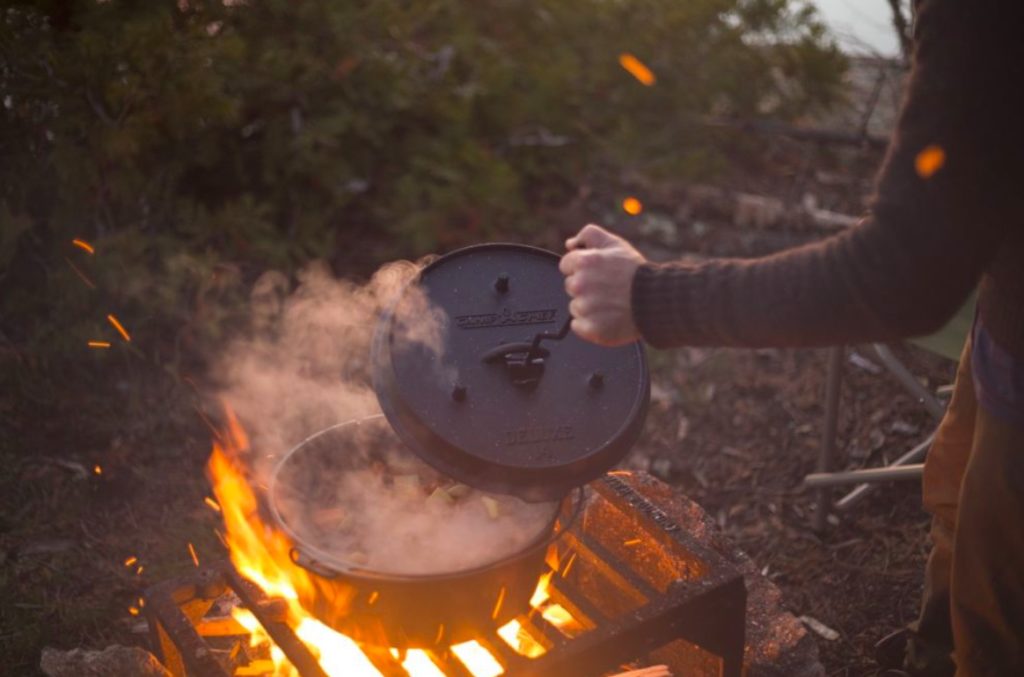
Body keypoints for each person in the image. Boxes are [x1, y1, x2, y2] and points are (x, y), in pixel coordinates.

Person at [558, 1, 1023, 675]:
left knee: (1002, 614)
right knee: (956, 505)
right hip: (1005, 315)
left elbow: (904, 276)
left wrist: (649, 299)